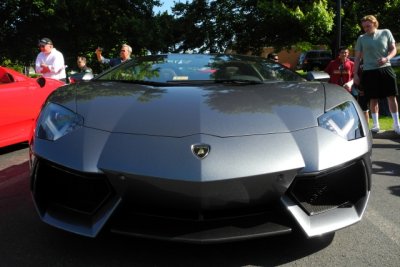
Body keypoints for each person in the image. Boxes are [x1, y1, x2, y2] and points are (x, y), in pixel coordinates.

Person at [353, 15, 399, 134]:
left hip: (386, 68)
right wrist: (355, 75)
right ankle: (376, 125)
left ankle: (397, 124)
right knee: (373, 99)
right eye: (364, 27)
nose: (366, 29)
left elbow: (393, 49)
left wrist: (387, 58)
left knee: (392, 96)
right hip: (369, 71)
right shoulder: (361, 38)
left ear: (374, 23)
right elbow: (357, 58)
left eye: (368, 26)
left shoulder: (386, 32)